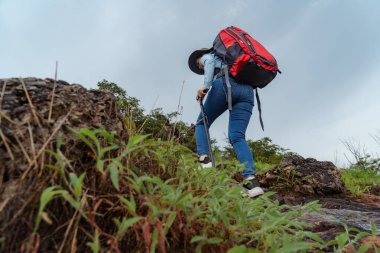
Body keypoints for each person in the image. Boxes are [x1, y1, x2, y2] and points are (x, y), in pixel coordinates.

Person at [188, 48, 265, 198]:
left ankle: (205, 162)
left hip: (225, 84)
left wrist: (205, 86)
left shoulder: (208, 57)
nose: (200, 67)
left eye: (198, 65)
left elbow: (209, 61)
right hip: (248, 92)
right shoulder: (229, 58)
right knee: (237, 137)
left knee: (201, 123)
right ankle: (252, 183)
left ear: (199, 57)